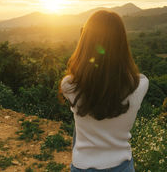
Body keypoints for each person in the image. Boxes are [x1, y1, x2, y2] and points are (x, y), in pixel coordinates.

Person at [60, 10, 149, 172]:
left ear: (85, 42)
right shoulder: (140, 84)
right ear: (122, 43)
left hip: (83, 165)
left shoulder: (69, 86)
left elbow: (88, 77)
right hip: (121, 166)